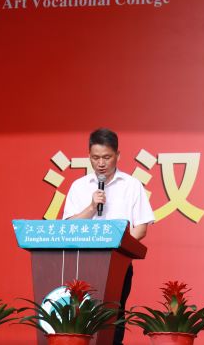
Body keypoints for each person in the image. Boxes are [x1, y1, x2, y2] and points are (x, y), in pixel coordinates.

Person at [62, 128, 154, 345]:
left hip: (118, 264)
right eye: (95, 158)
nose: (101, 163)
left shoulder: (131, 185)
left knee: (114, 316)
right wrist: (91, 208)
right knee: (81, 315)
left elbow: (141, 228)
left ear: (118, 155)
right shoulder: (79, 186)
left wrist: (117, 249)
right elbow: (68, 227)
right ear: (89, 156)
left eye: (106, 157)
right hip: (83, 262)